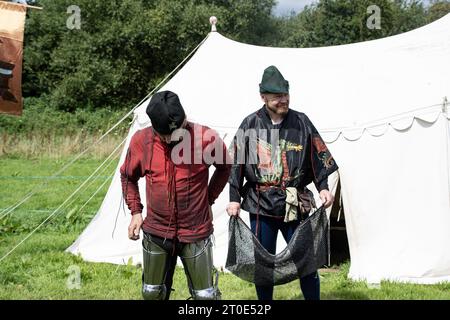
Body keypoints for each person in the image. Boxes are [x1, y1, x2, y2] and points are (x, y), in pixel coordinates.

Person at [226, 66, 338, 300]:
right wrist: (234, 199)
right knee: (263, 265)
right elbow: (235, 163)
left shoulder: (301, 122)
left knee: (306, 262)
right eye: (277, 96)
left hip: (294, 204)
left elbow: (318, 155)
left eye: (285, 95)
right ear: (263, 97)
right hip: (261, 205)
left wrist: (324, 187)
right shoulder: (250, 124)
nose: (283, 100)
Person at [120, 90, 231, 300]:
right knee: (152, 294)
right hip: (157, 232)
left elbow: (225, 167)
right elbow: (127, 176)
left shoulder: (206, 139)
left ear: (185, 119)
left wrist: (208, 199)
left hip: (195, 230)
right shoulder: (141, 142)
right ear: (154, 128)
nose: (172, 138)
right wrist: (135, 211)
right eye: (166, 135)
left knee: (205, 296)